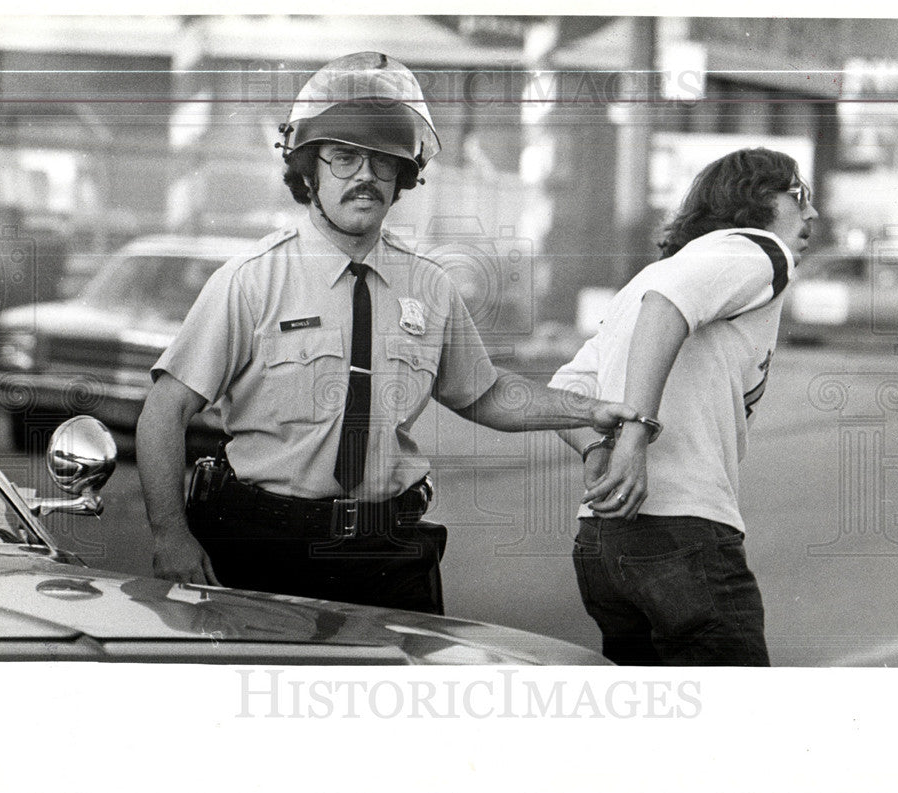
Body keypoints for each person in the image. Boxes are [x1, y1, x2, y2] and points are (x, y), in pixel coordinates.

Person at [136, 52, 637, 615]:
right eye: (345, 158)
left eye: (384, 162)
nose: (366, 177)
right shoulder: (249, 282)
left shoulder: (429, 284)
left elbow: (484, 393)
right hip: (263, 544)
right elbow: (166, 409)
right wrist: (169, 536)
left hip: (388, 550)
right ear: (308, 168)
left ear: (404, 177)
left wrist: (585, 410)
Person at [550, 147, 819, 666]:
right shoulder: (757, 250)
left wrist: (597, 455)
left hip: (604, 539)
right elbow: (668, 306)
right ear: (755, 199)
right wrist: (633, 440)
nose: (811, 214)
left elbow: (570, 384)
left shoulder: (650, 277)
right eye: (799, 195)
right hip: (683, 533)